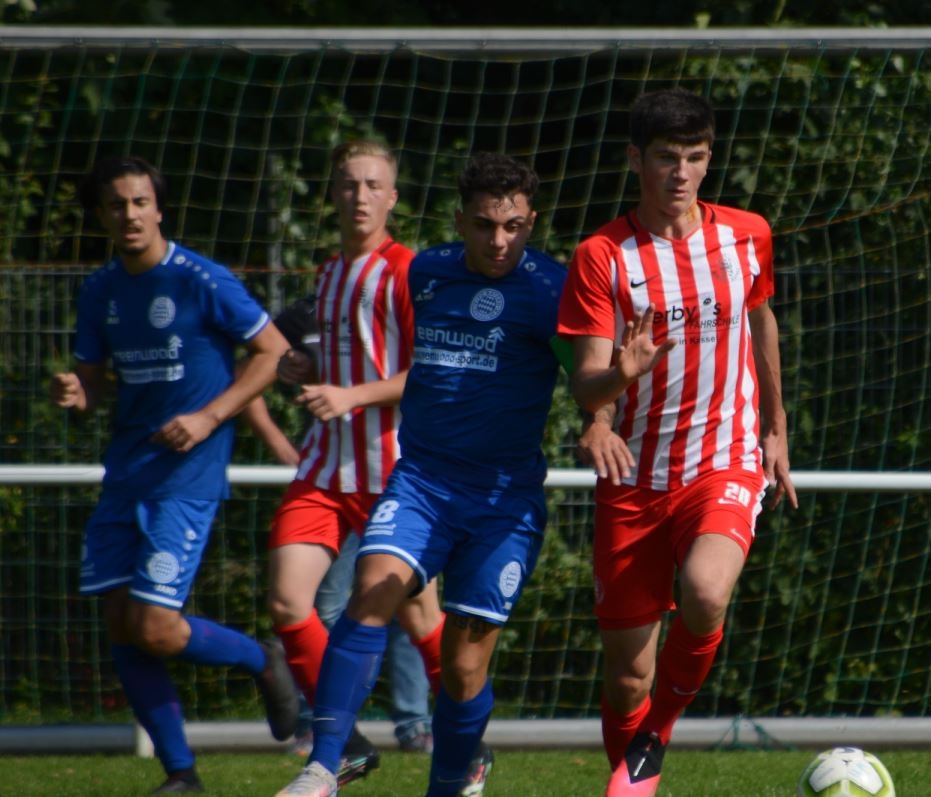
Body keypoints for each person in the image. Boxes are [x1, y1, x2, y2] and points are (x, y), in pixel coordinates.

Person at [273, 151, 567, 797]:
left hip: (503, 499)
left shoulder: (554, 288)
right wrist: (308, 364)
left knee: (462, 669)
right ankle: (325, 766)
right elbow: (387, 351)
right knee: (370, 592)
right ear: (459, 221)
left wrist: (603, 415)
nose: (499, 240)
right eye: (484, 225)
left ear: (531, 222)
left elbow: (589, 372)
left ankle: (453, 778)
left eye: (513, 226)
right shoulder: (426, 272)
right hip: (423, 481)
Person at [557, 88, 798, 797]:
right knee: (627, 674)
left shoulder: (747, 234)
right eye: (667, 157)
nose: (681, 172)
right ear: (636, 160)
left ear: (709, 158)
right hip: (635, 477)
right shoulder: (602, 255)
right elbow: (586, 387)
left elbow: (761, 319)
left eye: (695, 156)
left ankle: (654, 737)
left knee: (704, 590)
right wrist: (621, 374)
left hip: (724, 460)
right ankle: (634, 769)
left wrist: (776, 427)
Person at [50, 155, 298, 794]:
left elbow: (272, 352)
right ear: (102, 215)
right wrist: (77, 392)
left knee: (156, 627)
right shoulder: (100, 290)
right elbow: (94, 387)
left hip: (186, 477)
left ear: (159, 209)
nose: (130, 215)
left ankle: (262, 659)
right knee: (121, 625)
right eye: (116, 205)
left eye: (140, 202)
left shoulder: (201, 279)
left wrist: (209, 417)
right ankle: (181, 773)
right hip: (126, 474)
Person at [242, 292, 434, 756]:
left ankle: (433, 727)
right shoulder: (318, 299)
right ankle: (332, 731)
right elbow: (253, 365)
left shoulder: (405, 282)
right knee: (300, 605)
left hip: (394, 478)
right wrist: (296, 371)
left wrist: (350, 395)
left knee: (413, 612)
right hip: (326, 478)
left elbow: (430, 375)